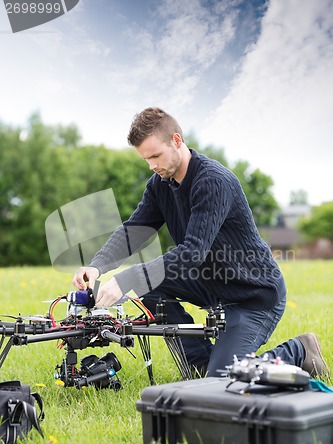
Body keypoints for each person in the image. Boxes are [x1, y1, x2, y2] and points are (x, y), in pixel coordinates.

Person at [72, 107, 328, 378]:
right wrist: (97, 266)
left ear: (177, 141)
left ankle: (300, 350)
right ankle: (198, 361)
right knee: (150, 284)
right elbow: (134, 230)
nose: (152, 165)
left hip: (251, 293)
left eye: (156, 155)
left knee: (224, 381)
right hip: (212, 282)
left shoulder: (213, 181)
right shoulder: (160, 184)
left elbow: (192, 253)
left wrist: (128, 278)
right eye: (146, 159)